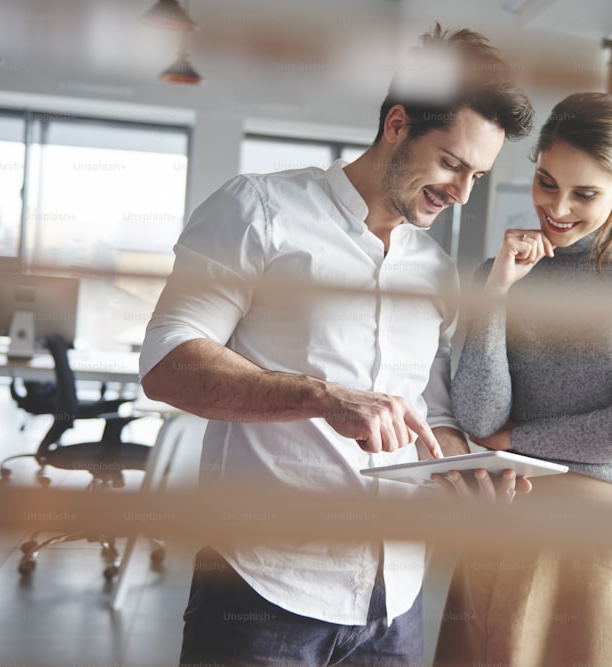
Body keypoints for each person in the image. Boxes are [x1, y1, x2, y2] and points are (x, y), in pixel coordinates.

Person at [139, 25, 534, 667]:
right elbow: (167, 362)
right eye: (452, 164)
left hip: (395, 599)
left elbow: (429, 412)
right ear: (398, 125)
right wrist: (326, 398)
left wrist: (464, 467)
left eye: (478, 175)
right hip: (261, 589)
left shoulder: (433, 270)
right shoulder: (260, 211)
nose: (462, 193)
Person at [433, 92, 612, 666]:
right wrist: (499, 293)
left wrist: (516, 441)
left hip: (607, 540)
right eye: (547, 183)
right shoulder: (499, 271)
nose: (557, 208)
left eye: (585, 193)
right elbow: (478, 418)